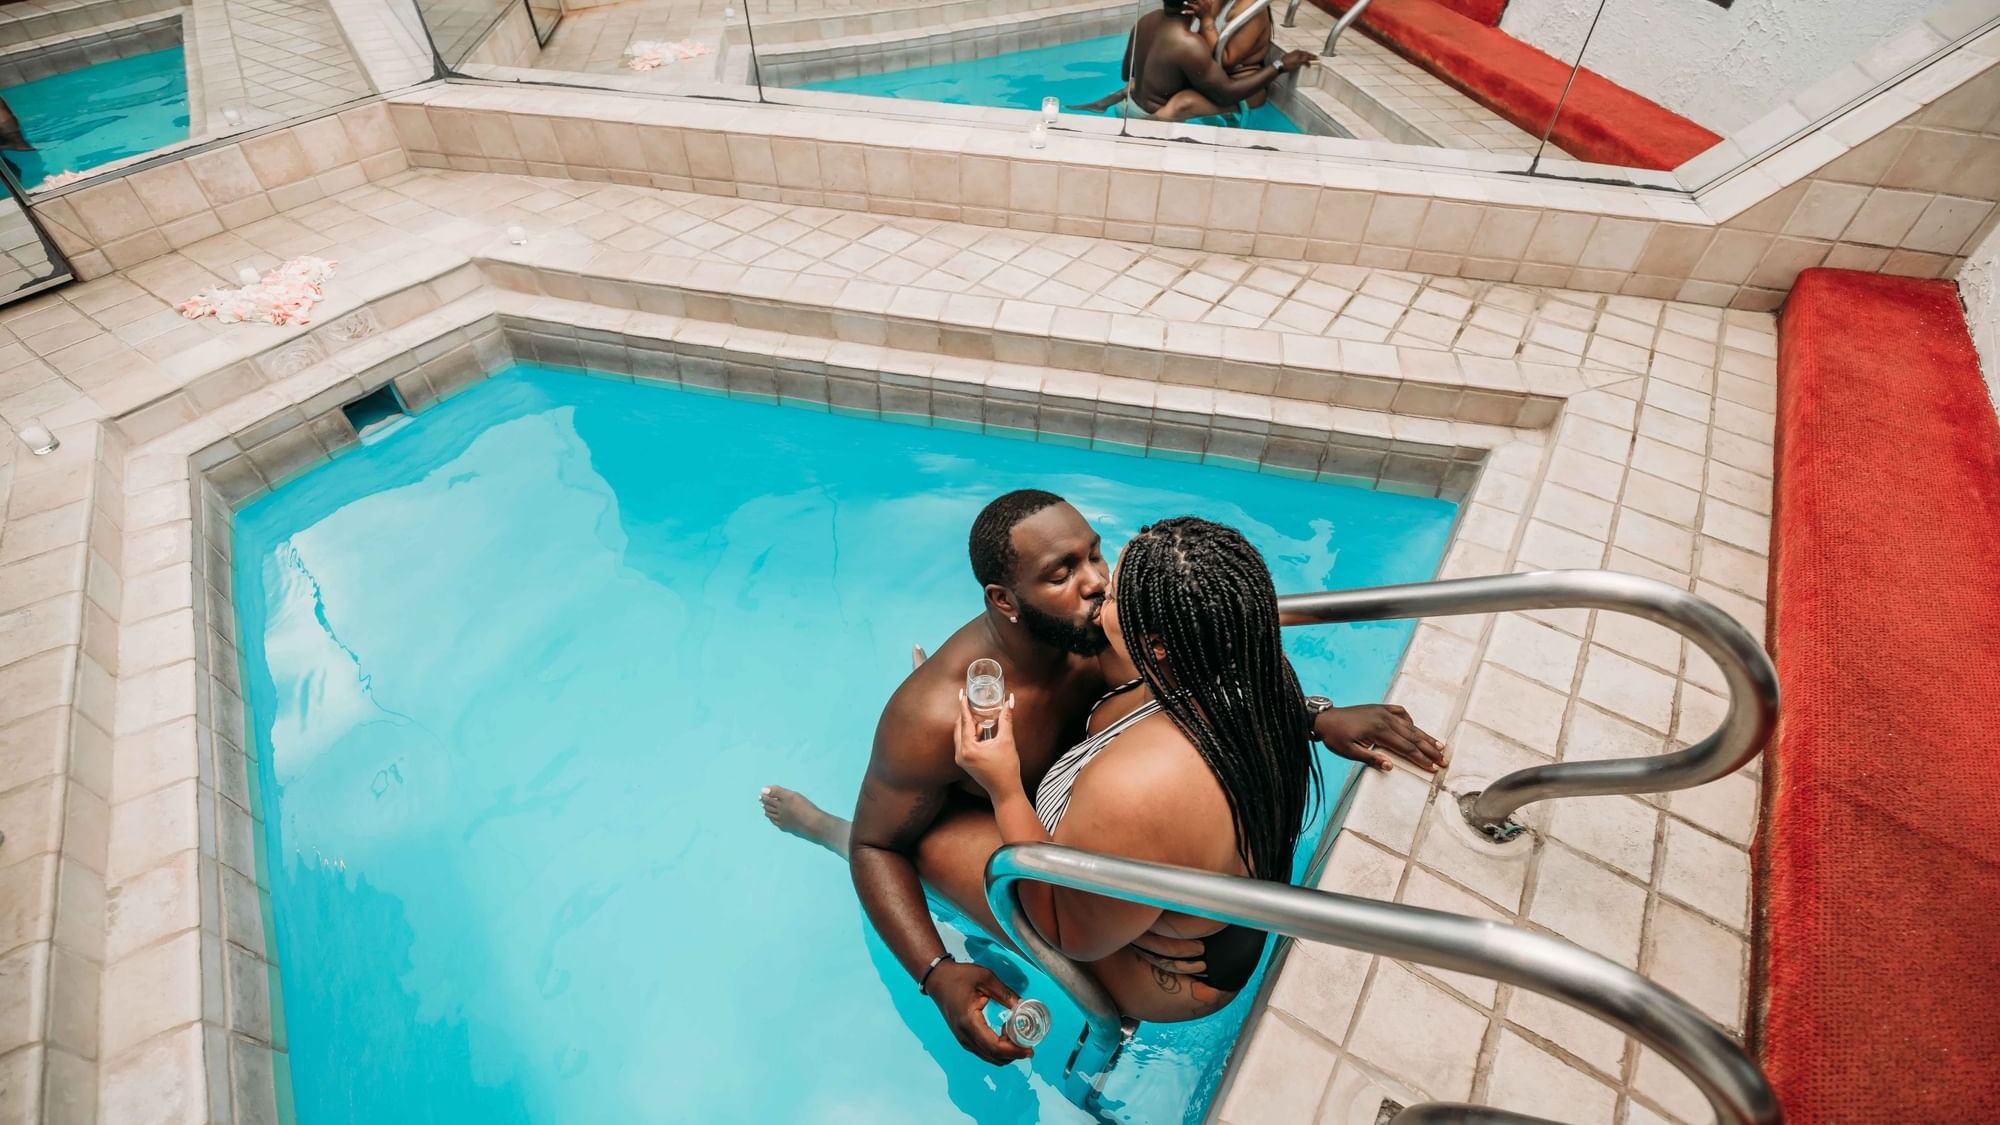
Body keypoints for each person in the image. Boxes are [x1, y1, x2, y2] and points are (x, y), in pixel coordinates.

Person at [763, 491, 1446, 1063]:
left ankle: (844, 827)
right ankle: (830, 828)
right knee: (890, 832)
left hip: (1167, 947)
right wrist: (936, 972)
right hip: (1151, 867)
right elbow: (876, 845)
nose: (1096, 583)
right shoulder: (931, 715)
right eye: (1064, 572)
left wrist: (1003, 786)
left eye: (1096, 554)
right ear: (1004, 600)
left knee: (931, 837)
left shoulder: (1119, 648)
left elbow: (1068, 923)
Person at [1067, 0, 1313, 122]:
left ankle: (1145, 131)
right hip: (1210, 76)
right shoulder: (1215, 3)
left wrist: (1206, 20)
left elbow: (1225, 62)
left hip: (1243, 87)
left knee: (1180, 102)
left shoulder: (1250, 13)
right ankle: (1107, 102)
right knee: (1147, 80)